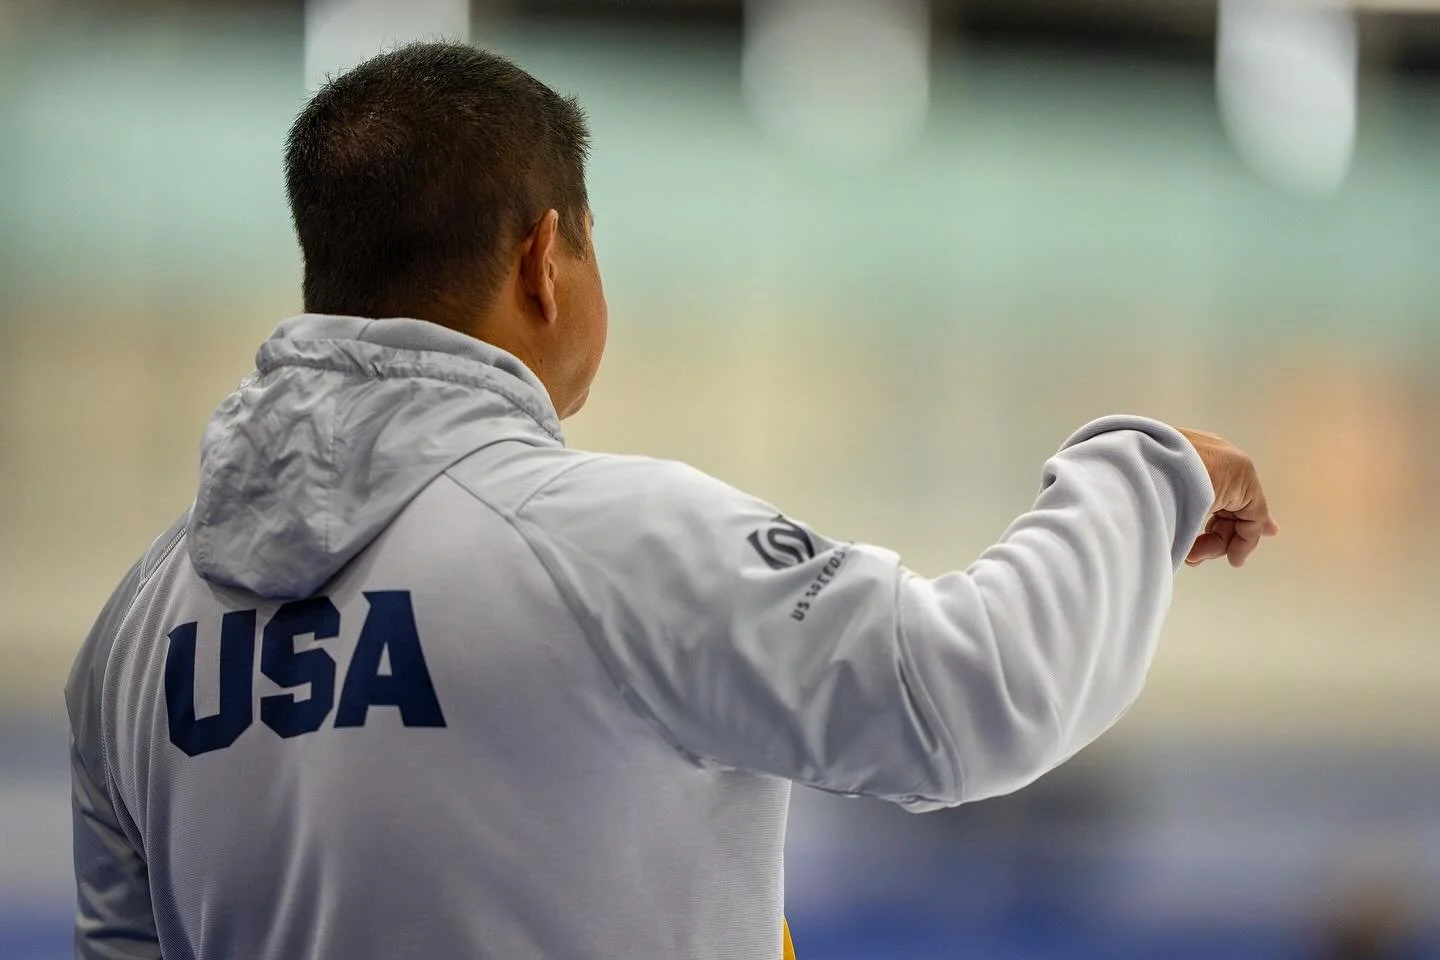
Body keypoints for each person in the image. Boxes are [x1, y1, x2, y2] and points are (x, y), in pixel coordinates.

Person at [64, 41, 1279, 960]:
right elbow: (975, 694)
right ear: (545, 261)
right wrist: (1145, 471)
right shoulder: (609, 548)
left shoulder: (131, 639)